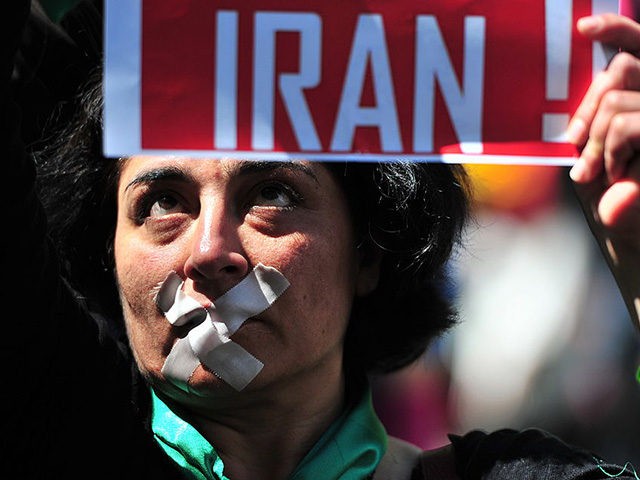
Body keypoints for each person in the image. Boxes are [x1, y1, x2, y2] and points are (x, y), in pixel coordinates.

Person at [3, 2, 640, 479]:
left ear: (368, 249)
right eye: (164, 202)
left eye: (272, 196)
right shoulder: (51, 435)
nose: (207, 252)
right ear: (105, 249)